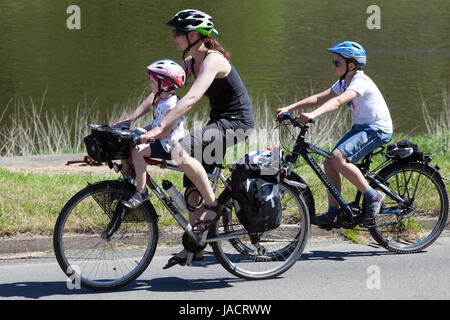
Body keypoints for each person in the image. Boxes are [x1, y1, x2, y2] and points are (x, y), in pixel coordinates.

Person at [144, 9, 254, 268]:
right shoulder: (191, 61)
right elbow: (164, 88)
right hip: (218, 123)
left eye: (177, 33)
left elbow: (191, 98)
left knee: (180, 150)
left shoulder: (213, 60)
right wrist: (131, 119)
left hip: (237, 123)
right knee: (192, 184)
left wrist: (162, 127)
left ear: (193, 35)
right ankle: (196, 244)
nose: (173, 37)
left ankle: (215, 207)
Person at [277, 41, 393, 225]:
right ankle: (333, 213)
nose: (333, 65)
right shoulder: (343, 82)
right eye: (334, 62)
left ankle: (373, 196)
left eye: (337, 63)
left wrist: (313, 115)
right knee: (330, 162)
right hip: (362, 127)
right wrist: (290, 107)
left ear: (351, 65)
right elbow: (320, 97)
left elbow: (338, 102)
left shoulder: (359, 81)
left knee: (338, 158)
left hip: (377, 129)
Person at [114, 59, 186, 208]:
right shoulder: (161, 100)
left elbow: (164, 130)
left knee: (138, 151)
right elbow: (156, 125)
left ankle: (141, 191)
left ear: (164, 84)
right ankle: (128, 180)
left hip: (169, 144)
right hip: (159, 140)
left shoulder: (172, 104)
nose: (149, 84)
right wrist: (139, 131)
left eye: (152, 81)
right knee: (127, 143)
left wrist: (147, 136)